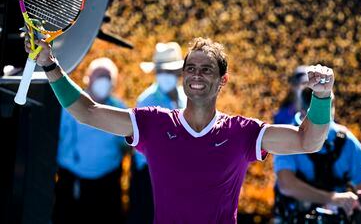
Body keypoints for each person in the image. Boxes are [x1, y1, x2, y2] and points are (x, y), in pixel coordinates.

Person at [29, 36, 334, 223]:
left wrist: (321, 97)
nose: (197, 75)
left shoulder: (242, 132)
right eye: (191, 68)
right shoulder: (153, 122)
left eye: (206, 69)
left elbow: (308, 140)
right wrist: (49, 65)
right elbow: (86, 111)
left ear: (222, 81)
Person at [273, 87, 361, 223]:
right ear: (303, 112)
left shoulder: (344, 139)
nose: (323, 123)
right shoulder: (286, 137)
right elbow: (286, 184)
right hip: (296, 217)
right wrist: (333, 198)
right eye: (318, 115)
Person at [52, 57, 127, 224]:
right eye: (100, 76)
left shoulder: (120, 108)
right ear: (88, 78)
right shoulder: (69, 104)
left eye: (108, 77)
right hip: (71, 179)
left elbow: (126, 145)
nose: (104, 81)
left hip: (106, 183)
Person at [128, 42, 187, 224]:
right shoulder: (146, 101)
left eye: (169, 71)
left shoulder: (186, 98)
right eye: (161, 71)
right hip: (150, 172)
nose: (165, 76)